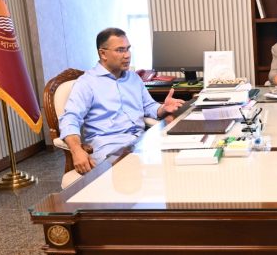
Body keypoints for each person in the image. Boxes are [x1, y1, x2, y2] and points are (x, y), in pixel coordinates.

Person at [59, 27, 185, 174]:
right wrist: (76, 150)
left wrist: (162, 108)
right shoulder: (87, 83)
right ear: (103, 54)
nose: (127, 55)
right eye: (120, 50)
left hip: (140, 142)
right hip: (109, 148)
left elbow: (148, 106)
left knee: (179, 159)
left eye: (128, 49)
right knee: (134, 176)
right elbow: (70, 119)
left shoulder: (133, 78)